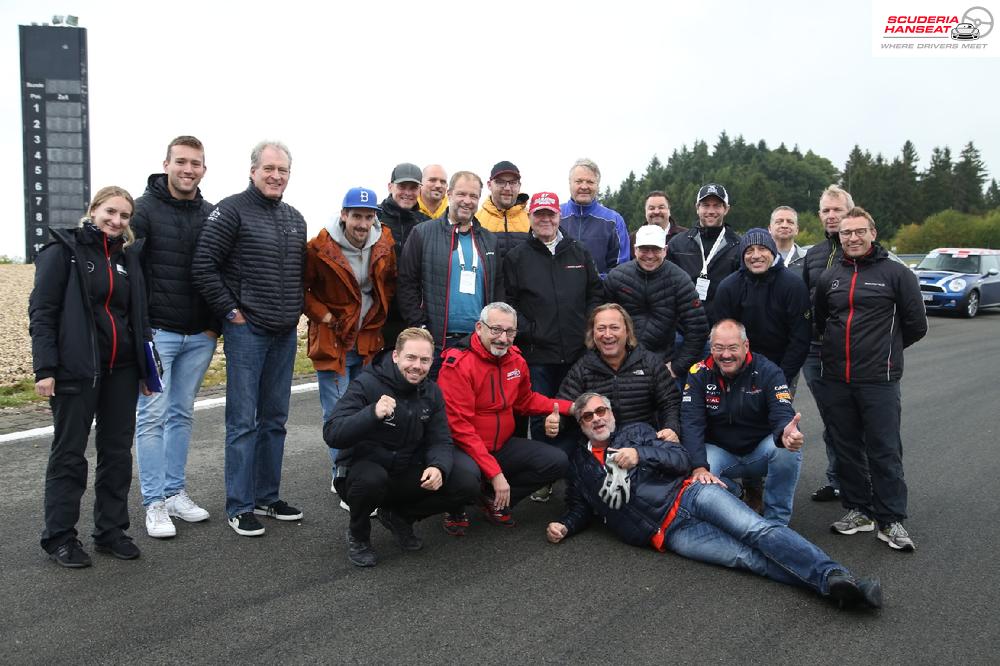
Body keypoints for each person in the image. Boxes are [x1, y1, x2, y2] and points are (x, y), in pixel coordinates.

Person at [546, 392, 882, 610]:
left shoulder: (636, 433)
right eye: (588, 417)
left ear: (612, 413)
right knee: (746, 559)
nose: (597, 419)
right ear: (582, 425)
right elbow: (581, 505)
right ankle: (834, 588)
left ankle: (836, 575)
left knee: (757, 531)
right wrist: (566, 524)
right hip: (668, 534)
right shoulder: (580, 465)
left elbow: (679, 457)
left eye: (601, 410)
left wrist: (642, 455)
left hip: (690, 494)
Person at [30, 186, 153, 567]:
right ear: (93, 209)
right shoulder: (63, 253)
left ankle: (111, 531)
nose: (116, 221)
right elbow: (43, 313)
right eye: (110, 212)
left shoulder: (126, 258)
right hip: (75, 371)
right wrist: (45, 369)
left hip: (122, 371)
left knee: (116, 454)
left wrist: (148, 369)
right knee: (69, 455)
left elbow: (138, 317)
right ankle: (60, 538)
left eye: (124, 216)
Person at [192, 140, 306, 537]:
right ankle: (239, 506)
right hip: (248, 332)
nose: (276, 176)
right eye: (269, 169)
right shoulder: (230, 210)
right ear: (253, 170)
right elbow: (204, 266)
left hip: (284, 332)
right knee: (242, 421)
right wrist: (231, 313)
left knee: (275, 419)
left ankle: (266, 496)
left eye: (283, 170)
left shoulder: (295, 218)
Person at [815, 207, 927, 551]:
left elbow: (916, 325)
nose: (852, 237)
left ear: (873, 233)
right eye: (846, 233)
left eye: (859, 231)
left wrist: (886, 350)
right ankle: (858, 510)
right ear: (839, 236)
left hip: (879, 379)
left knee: (884, 449)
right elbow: (821, 322)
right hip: (836, 378)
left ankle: (891, 519)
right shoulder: (829, 277)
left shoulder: (897, 274)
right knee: (846, 447)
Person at [324, 328, 480, 567]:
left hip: (404, 470)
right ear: (396, 356)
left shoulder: (432, 392)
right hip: (363, 473)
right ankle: (358, 534)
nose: (417, 366)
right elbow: (333, 433)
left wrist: (438, 467)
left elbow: (441, 440)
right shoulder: (367, 383)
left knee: (466, 480)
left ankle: (400, 516)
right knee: (371, 479)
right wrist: (371, 413)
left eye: (425, 360)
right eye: (411, 358)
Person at [131, 136, 217, 539]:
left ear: (204, 168)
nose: (188, 169)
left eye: (195, 163)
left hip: (199, 334)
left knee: (182, 414)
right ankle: (154, 503)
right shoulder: (142, 210)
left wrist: (213, 325)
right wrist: (142, 329)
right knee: (151, 416)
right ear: (166, 163)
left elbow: (219, 269)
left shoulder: (212, 214)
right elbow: (132, 272)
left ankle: (175, 491)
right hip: (158, 333)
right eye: (181, 162)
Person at [437, 302, 573, 528]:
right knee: (467, 479)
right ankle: (456, 506)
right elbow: (459, 427)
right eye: (496, 329)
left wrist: (571, 407)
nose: (503, 338)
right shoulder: (458, 365)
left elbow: (525, 400)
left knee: (556, 462)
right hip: (463, 449)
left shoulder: (516, 359)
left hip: (500, 446)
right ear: (479, 328)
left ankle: (491, 500)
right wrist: (495, 473)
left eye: (510, 332)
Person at [303, 186, 397, 495]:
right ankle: (342, 476)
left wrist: (379, 318)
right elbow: (303, 291)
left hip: (368, 341)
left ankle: (361, 471)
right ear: (344, 215)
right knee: (337, 413)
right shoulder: (319, 247)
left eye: (368, 217)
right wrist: (328, 318)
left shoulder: (384, 244)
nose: (361, 223)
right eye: (356, 215)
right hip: (333, 342)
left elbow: (389, 284)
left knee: (366, 410)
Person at [680, 320, 804, 525]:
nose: (725, 355)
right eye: (719, 348)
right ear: (711, 348)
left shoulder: (769, 371)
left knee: (786, 449)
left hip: (759, 451)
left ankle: (777, 524)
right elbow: (691, 423)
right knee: (694, 472)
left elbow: (781, 411)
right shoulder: (698, 373)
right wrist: (699, 467)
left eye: (732, 348)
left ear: (746, 346)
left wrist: (786, 433)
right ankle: (732, 504)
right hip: (719, 453)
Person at [502, 191, 603, 432]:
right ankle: (546, 468)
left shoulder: (579, 251)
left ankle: (577, 468)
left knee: (579, 416)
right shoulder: (516, 257)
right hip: (537, 358)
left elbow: (596, 293)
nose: (545, 219)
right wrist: (531, 330)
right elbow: (508, 302)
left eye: (550, 214)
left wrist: (585, 327)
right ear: (530, 216)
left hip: (577, 355)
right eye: (539, 214)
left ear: (559, 216)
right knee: (542, 420)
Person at [397, 171, 501, 374]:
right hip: (436, 342)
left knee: (474, 403)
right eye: (462, 194)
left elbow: (498, 289)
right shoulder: (423, 233)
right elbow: (406, 284)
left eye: (473, 196)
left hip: (477, 342)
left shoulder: (489, 240)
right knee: (434, 403)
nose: (467, 201)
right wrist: (421, 326)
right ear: (450, 194)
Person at [557, 304, 680, 447]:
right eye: (601, 328)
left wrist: (671, 428)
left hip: (644, 445)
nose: (607, 335)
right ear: (593, 334)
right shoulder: (582, 368)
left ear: (627, 331)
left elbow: (670, 402)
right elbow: (562, 404)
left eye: (614, 328)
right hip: (600, 446)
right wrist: (557, 421)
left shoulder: (650, 362)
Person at [801, 185, 853, 502]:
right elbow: (805, 300)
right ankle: (837, 480)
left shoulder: (866, 250)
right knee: (832, 417)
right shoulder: (814, 255)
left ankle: (863, 482)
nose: (832, 216)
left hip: (852, 351)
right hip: (815, 349)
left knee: (854, 418)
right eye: (826, 211)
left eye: (838, 210)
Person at [712, 228, 811, 395]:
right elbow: (723, 337)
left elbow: (800, 339)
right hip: (739, 368)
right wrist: (734, 372)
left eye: (762, 249)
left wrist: (782, 376)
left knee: (778, 417)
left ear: (772, 252)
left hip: (783, 365)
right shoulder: (728, 287)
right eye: (749, 250)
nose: (756, 255)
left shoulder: (794, 286)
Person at [605, 224, 708, 380]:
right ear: (635, 250)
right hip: (620, 361)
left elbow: (697, 329)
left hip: (662, 362)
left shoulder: (680, 280)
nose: (650, 255)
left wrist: (677, 367)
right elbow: (599, 320)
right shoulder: (616, 277)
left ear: (665, 250)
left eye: (656, 249)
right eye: (644, 249)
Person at [666, 183, 742, 323]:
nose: (711, 211)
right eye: (706, 205)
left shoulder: (739, 246)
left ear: (726, 209)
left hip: (722, 331)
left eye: (717, 205)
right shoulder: (677, 244)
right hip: (683, 328)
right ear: (697, 208)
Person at [379, 162, 427, 348]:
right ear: (390, 186)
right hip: (380, 312)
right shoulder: (374, 218)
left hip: (413, 312)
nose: (407, 192)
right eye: (402, 187)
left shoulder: (426, 224)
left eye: (413, 188)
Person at [560, 158, 628, 278]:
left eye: (590, 182)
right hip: (558, 293)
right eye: (579, 181)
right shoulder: (555, 216)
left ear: (597, 185)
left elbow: (621, 269)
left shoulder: (614, 220)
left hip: (599, 294)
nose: (584, 186)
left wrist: (593, 284)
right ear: (570, 183)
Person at [477, 160, 531, 262]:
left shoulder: (532, 220)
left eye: (513, 183)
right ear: (489, 185)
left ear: (519, 186)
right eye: (500, 182)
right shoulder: (476, 220)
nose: (507, 188)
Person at [628, 191, 687, 258]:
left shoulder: (685, 236)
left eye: (661, 207)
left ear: (669, 211)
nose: (656, 212)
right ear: (645, 212)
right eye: (651, 208)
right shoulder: (632, 239)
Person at [769, 206, 806, 277]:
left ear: (797, 230)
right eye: (779, 222)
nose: (784, 225)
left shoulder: (807, 259)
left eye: (790, 222)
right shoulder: (761, 258)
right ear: (770, 229)